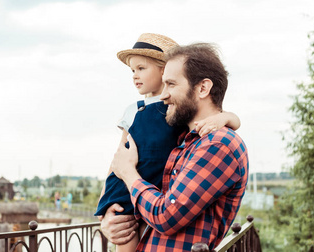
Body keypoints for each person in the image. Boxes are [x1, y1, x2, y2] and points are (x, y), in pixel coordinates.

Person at [95, 34, 241, 251]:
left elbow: (166, 215)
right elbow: (120, 159)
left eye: (171, 84)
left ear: (202, 88)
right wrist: (107, 212)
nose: (164, 95)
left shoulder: (216, 143)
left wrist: (226, 117)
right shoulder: (186, 139)